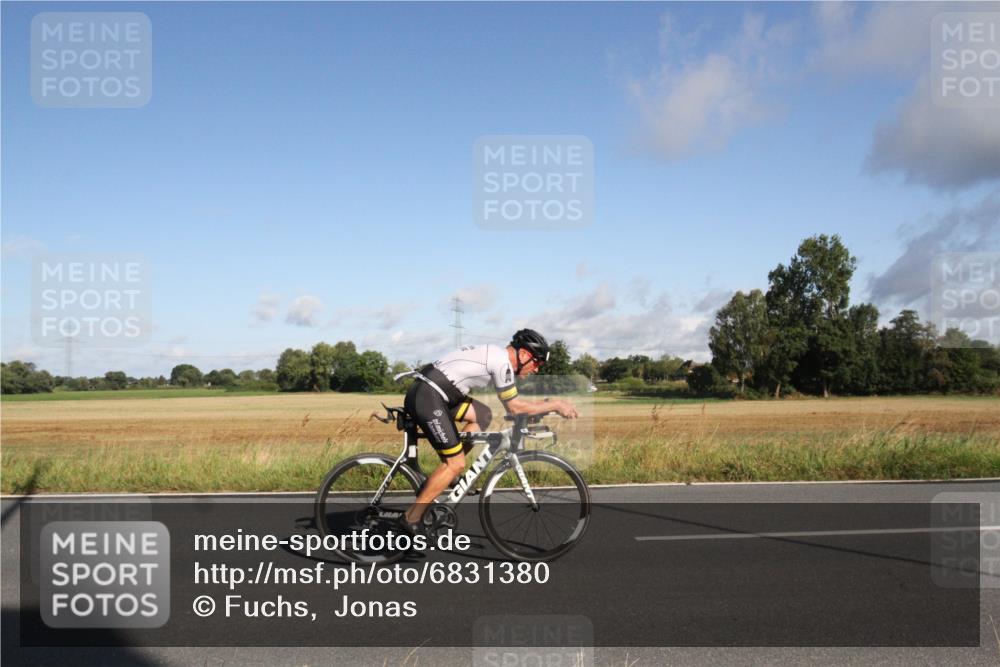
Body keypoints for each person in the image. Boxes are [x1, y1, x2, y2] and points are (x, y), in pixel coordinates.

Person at [398, 329, 578, 534]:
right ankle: (411, 519)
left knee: (483, 415)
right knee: (455, 463)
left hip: (441, 393)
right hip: (429, 396)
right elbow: (515, 407)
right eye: (537, 363)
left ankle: (448, 474)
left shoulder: (498, 357)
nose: (536, 370)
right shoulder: (501, 363)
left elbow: (515, 407)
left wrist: (537, 410)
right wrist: (555, 404)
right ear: (523, 354)